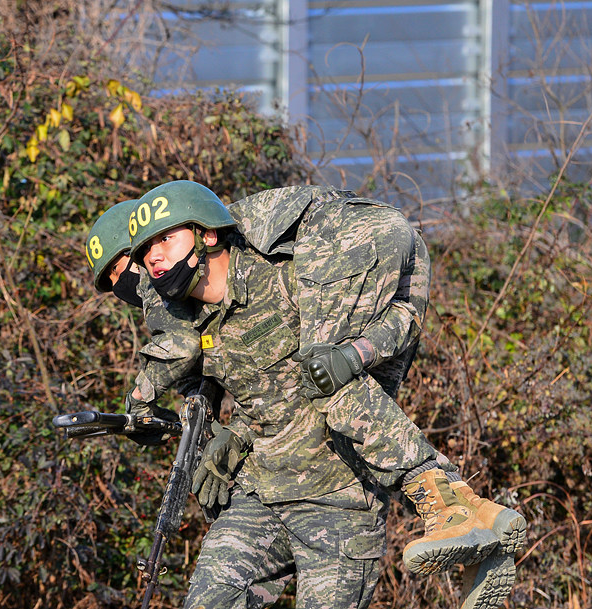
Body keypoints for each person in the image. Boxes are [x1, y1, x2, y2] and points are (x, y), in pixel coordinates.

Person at [124, 181, 527, 608]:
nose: (154, 255)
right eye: (145, 248)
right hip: (261, 498)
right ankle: (478, 515)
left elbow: (402, 317)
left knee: (325, 374)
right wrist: (236, 435)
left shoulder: (296, 272)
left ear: (207, 234)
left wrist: (355, 355)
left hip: (338, 505)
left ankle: (454, 507)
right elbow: (273, 394)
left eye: (166, 238)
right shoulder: (191, 324)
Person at [84, 200, 296, 606]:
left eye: (117, 270)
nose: (118, 285)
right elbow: (200, 364)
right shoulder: (180, 277)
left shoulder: (154, 282)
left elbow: (182, 347)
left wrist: (138, 401)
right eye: (110, 281)